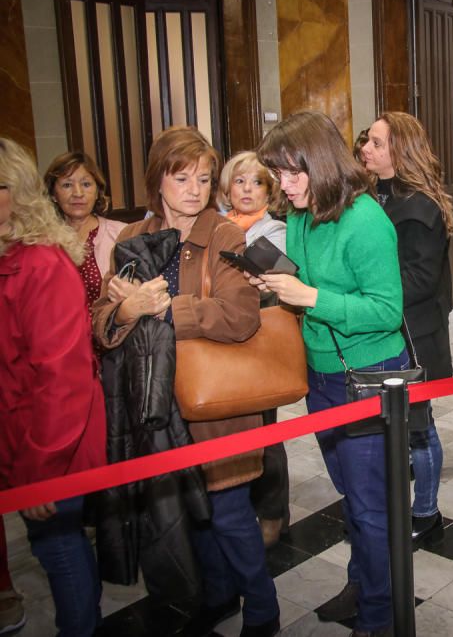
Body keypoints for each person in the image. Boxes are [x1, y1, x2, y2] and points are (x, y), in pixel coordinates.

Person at [92, 126, 279, 637]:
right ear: (158, 181)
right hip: (152, 404)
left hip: (214, 404)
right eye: (181, 178)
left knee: (228, 512)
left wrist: (162, 309)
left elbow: (239, 316)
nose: (194, 190)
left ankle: (263, 609)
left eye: (202, 178)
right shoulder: (131, 238)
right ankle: (216, 597)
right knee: (184, 514)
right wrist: (126, 309)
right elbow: (103, 323)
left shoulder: (224, 234)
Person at [255, 111, 405, 637]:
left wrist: (312, 298)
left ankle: (381, 614)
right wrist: (275, 285)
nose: (284, 184)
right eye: (277, 173)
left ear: (319, 163)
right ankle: (363, 583)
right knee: (353, 494)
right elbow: (303, 281)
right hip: (322, 373)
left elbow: (387, 310)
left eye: (292, 172)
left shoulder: (365, 219)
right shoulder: (299, 215)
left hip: (368, 372)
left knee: (370, 506)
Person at [0, 137, 106, 635]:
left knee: (58, 548)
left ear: (18, 192)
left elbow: (61, 381)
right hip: (18, 434)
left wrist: (40, 469)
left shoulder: (41, 264)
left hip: (50, 444)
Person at [358, 111, 453, 549]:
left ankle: (427, 512)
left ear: (400, 149)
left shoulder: (418, 207)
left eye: (376, 143)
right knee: (387, 429)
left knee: (419, 428)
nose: (366, 150)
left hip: (415, 336)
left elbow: (419, 280)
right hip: (384, 334)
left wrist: (366, 294)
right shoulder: (372, 197)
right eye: (367, 142)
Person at [217, 151, 290, 548]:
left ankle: (273, 510)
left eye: (256, 182)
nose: (247, 189)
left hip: (259, 343)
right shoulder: (212, 225)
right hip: (219, 345)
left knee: (265, 430)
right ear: (227, 188)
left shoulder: (274, 230)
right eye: (240, 181)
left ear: (269, 189)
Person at [44, 151, 127, 308]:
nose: (78, 193)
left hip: (109, 330)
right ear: (53, 194)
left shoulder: (122, 234)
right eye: (67, 185)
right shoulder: (42, 240)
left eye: (86, 184)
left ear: (97, 192)